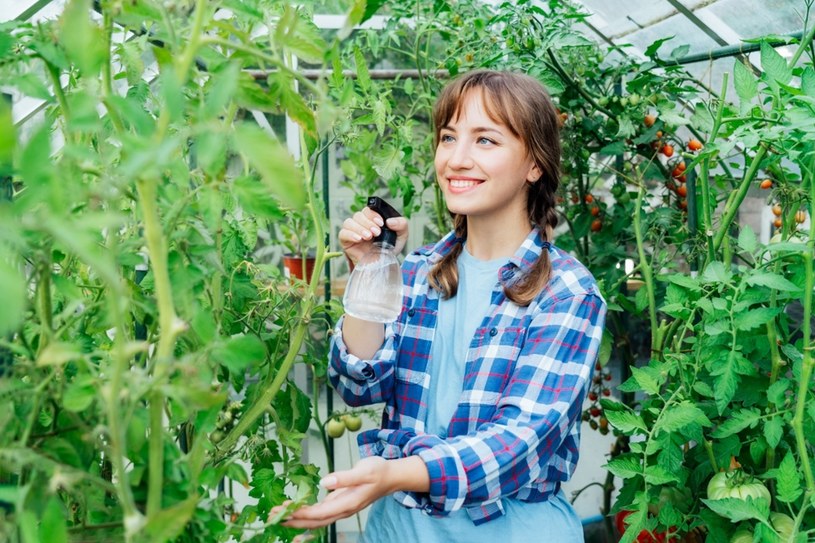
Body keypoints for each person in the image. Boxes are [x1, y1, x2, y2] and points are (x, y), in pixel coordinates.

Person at [277, 69, 607, 542]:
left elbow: (519, 441)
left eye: (486, 140)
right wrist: (372, 271)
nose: (457, 158)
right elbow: (356, 386)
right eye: (448, 137)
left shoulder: (566, 292)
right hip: (400, 531)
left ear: (535, 164)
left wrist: (394, 475)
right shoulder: (417, 272)